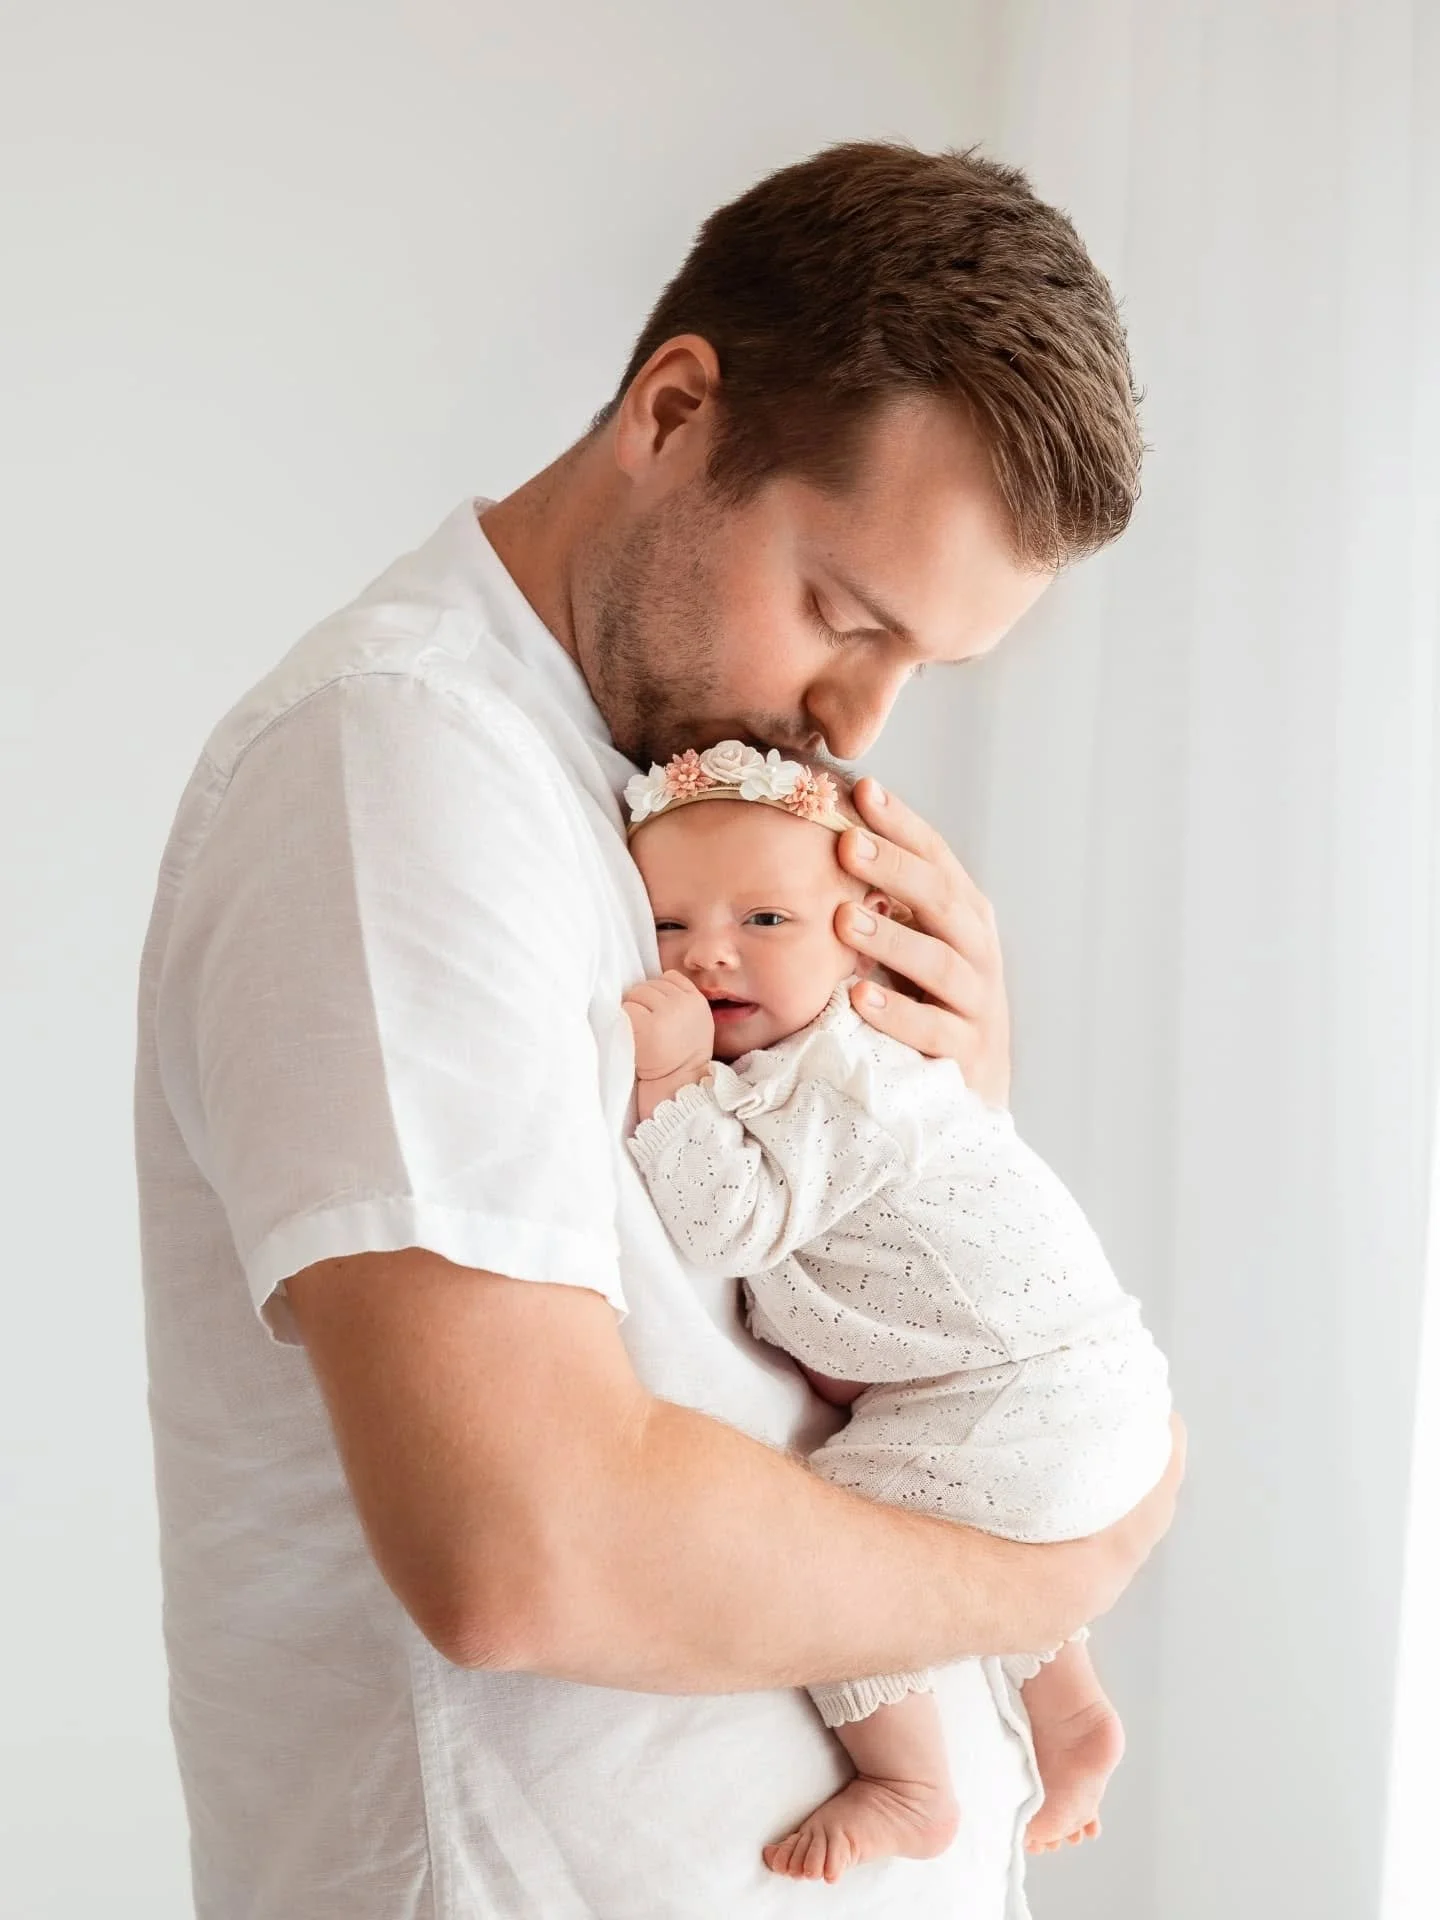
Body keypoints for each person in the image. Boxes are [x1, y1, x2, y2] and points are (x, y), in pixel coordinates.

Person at [136, 141, 1184, 1919]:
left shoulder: (677, 813)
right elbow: (521, 1545)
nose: (860, 720)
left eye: (927, 667)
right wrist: (1065, 1551)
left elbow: (755, 1355)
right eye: (846, 617)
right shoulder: (401, 767)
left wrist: (939, 1127)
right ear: (675, 410)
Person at [619, 742, 1172, 1885]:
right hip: (1066, 1393)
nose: (709, 950)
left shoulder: (855, 1077)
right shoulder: (815, 1067)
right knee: (962, 1520)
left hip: (1039, 1393)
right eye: (670, 925)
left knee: (840, 1535)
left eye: (764, 919)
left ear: (858, 929)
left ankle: (910, 1781)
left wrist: (666, 1085)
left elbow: (730, 1226)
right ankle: (1070, 1721)